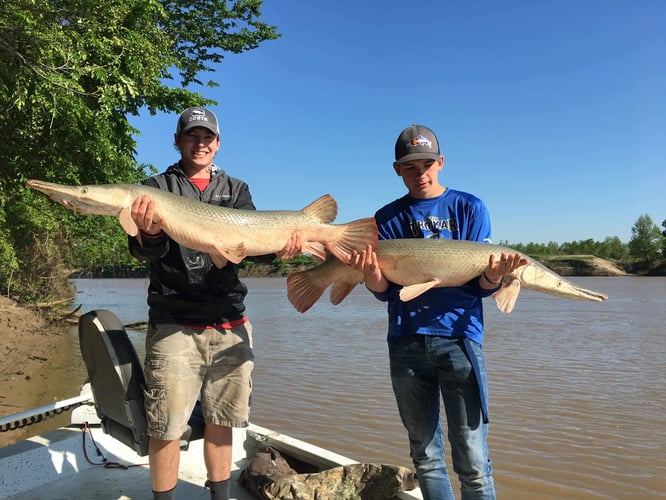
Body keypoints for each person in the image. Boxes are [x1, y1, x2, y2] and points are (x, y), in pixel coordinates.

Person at [128, 107, 302, 500]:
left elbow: (253, 251)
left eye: (207, 136)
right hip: (175, 321)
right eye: (192, 136)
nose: (200, 142)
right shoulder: (156, 187)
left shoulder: (236, 190)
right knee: (166, 427)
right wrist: (149, 234)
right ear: (178, 141)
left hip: (229, 322)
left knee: (222, 423)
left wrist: (280, 248)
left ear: (218, 143)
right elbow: (144, 254)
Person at [348, 124, 528, 500]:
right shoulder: (385, 217)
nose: (420, 173)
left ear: (441, 163)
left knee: (473, 460)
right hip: (406, 343)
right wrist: (370, 277)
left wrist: (494, 278)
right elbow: (385, 293)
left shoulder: (469, 207)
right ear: (397, 169)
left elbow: (481, 287)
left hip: (460, 341)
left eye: (427, 163)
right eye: (410, 166)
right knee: (426, 455)